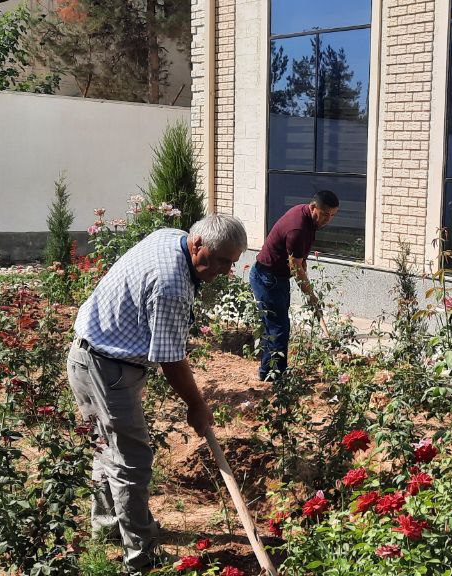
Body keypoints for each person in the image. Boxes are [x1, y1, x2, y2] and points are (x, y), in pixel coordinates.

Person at [66, 214, 247, 574]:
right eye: (224, 260)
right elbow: (169, 357)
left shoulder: (171, 236)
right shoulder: (172, 286)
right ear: (197, 245)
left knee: (106, 449)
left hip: (84, 357)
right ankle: (141, 557)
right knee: (131, 462)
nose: (227, 271)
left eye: (233, 262)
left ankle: (108, 528)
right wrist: (197, 404)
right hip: (108, 371)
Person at [251, 190, 339, 382]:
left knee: (276, 326)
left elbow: (300, 259)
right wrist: (310, 295)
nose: (329, 219)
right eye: (325, 214)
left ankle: (270, 372)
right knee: (278, 328)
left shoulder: (309, 219)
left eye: (333, 215)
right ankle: (274, 377)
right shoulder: (298, 228)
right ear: (313, 207)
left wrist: (307, 286)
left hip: (276, 277)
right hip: (267, 278)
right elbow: (295, 267)